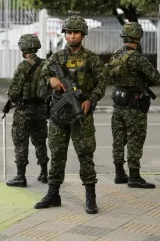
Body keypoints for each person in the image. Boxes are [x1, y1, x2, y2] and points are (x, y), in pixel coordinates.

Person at [34, 15, 107, 214]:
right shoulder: (56, 58)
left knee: (85, 155)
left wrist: (90, 100)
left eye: (75, 32)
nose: (71, 36)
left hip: (81, 116)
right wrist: (51, 81)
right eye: (68, 32)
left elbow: (102, 82)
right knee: (57, 155)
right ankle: (53, 194)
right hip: (59, 117)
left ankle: (90, 197)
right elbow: (41, 79)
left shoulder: (91, 59)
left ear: (83, 35)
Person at [107, 22, 160, 189]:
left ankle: (119, 173)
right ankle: (134, 177)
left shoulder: (115, 56)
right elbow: (156, 78)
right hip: (134, 106)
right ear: (138, 37)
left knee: (118, 139)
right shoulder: (138, 58)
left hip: (118, 105)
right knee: (135, 140)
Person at [4, 34, 50, 187]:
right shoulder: (45, 64)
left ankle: (20, 176)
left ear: (23, 48)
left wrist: (10, 98)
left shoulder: (23, 66)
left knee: (21, 142)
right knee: (40, 142)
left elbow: (14, 91)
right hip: (41, 110)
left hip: (24, 110)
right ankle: (44, 173)